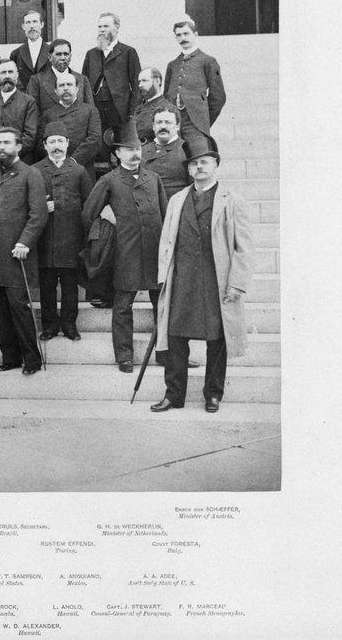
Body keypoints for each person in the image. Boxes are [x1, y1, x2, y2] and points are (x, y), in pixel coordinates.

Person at [151, 136, 255, 414]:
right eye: (194, 163)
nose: (199, 167)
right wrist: (163, 276)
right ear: (188, 170)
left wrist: (237, 284)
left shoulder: (232, 201)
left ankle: (213, 394)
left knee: (217, 339)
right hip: (182, 280)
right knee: (174, 338)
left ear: (216, 165)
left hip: (216, 281)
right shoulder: (177, 200)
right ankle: (174, 395)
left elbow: (244, 248)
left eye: (204, 162)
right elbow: (166, 241)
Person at [81, 121, 168, 373]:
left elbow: (164, 214)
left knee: (161, 305)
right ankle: (125, 356)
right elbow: (88, 215)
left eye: (138, 147)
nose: (135, 152)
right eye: (128, 149)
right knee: (122, 307)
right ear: (117, 153)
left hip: (154, 252)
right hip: (126, 253)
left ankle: (164, 352)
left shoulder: (154, 178)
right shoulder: (109, 181)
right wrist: (107, 226)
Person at [0, 127, 48, 374]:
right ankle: (10, 357)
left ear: (18, 147)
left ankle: (32, 360)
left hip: (18, 255)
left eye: (7, 142)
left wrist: (25, 242)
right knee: (2, 310)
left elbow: (38, 214)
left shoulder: (31, 175)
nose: (1, 147)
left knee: (19, 307)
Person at [33, 122, 92, 342]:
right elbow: (28, 204)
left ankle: (69, 324)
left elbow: (89, 204)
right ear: (45, 145)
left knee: (69, 286)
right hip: (45, 239)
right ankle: (49, 325)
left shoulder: (78, 171)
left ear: (67, 144)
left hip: (71, 238)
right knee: (47, 285)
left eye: (60, 141)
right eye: (52, 142)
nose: (56, 146)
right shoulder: (36, 170)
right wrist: (41, 207)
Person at [82, 12, 141, 165]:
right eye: (99, 26)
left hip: (120, 112)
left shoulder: (128, 52)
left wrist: (131, 114)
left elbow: (137, 85)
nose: (102, 30)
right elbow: (84, 85)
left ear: (117, 28)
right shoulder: (91, 54)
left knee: (122, 153)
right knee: (100, 154)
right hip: (97, 111)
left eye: (106, 26)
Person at [164, 16, 227, 147]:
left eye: (186, 33)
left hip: (195, 124)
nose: (182, 38)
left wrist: (203, 120)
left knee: (199, 159)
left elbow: (219, 97)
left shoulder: (208, 61)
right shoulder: (172, 65)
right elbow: (166, 95)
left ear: (195, 34)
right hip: (173, 123)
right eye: (179, 35)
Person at [38, 74, 102, 177]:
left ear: (76, 89)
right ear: (56, 90)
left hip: (82, 169)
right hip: (55, 170)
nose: (66, 88)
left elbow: (95, 140)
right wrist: (57, 161)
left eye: (69, 85)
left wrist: (73, 161)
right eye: (61, 85)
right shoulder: (48, 115)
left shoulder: (90, 111)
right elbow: (41, 143)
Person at [0, 60, 38, 162]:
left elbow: (30, 137)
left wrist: (9, 153)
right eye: (3, 72)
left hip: (21, 161)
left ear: (17, 75)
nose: (7, 76)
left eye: (10, 72)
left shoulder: (28, 102)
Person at [26, 38, 94, 115]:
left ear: (70, 56)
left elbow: (91, 112)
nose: (62, 58)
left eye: (66, 54)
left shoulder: (82, 79)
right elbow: (32, 113)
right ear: (50, 57)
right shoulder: (37, 81)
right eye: (58, 54)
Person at [141, 106, 188, 201]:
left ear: (177, 126)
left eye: (168, 122)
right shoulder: (142, 151)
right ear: (153, 126)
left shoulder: (187, 150)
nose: (163, 126)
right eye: (159, 122)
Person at [8, 9, 51, 90]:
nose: (31, 26)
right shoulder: (16, 54)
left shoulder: (52, 51)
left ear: (42, 24)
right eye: (28, 22)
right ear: (23, 27)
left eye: (35, 21)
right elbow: (14, 79)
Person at [132, 67, 175, 144]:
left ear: (157, 81)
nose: (140, 85)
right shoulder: (137, 108)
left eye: (144, 81)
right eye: (139, 82)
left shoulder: (168, 108)